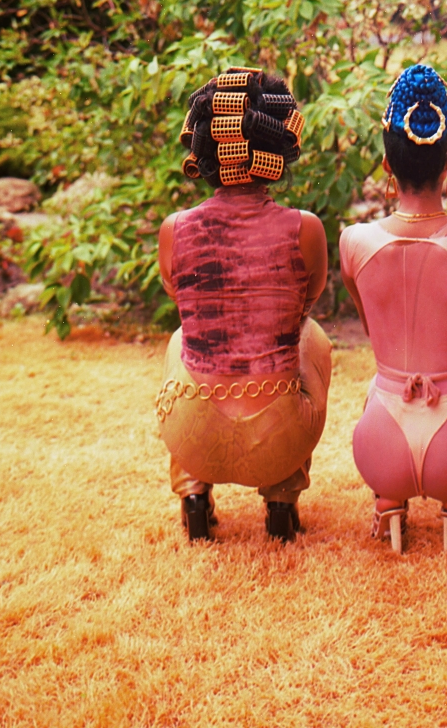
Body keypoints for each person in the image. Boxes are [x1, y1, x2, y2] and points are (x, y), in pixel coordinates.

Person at [156, 67, 332, 543]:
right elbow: (307, 301)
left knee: (182, 341)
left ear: (204, 149)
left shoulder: (175, 228)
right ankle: (282, 497)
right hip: (278, 436)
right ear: (278, 146)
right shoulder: (306, 229)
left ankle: (192, 493)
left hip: (194, 432)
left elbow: (180, 296)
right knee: (310, 337)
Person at [339, 64, 447, 554]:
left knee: (381, 379)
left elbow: (372, 327)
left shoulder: (353, 241)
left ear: (387, 166)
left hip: (379, 448)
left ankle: (389, 501)